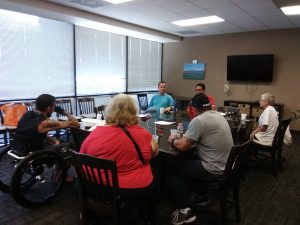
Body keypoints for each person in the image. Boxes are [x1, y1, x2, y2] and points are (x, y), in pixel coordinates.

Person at [80, 93, 159, 223]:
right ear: (134, 112)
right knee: (154, 169)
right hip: (129, 188)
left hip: (95, 186)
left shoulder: (96, 132)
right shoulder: (142, 134)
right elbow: (154, 153)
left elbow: (82, 155)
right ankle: (146, 216)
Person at [168, 93, 233, 225]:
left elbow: (182, 146)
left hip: (214, 168)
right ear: (209, 105)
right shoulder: (218, 116)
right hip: (227, 165)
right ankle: (195, 193)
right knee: (190, 159)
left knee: (174, 170)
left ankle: (184, 210)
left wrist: (173, 139)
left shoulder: (199, 120)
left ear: (194, 108)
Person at [12, 94, 80, 156]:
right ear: (48, 108)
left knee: (58, 141)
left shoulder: (27, 114)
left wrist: (54, 140)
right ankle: (59, 167)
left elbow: (35, 133)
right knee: (69, 146)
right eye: (54, 106)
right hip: (32, 150)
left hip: (19, 146)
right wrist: (63, 112)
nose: (54, 108)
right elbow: (76, 124)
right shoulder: (46, 123)